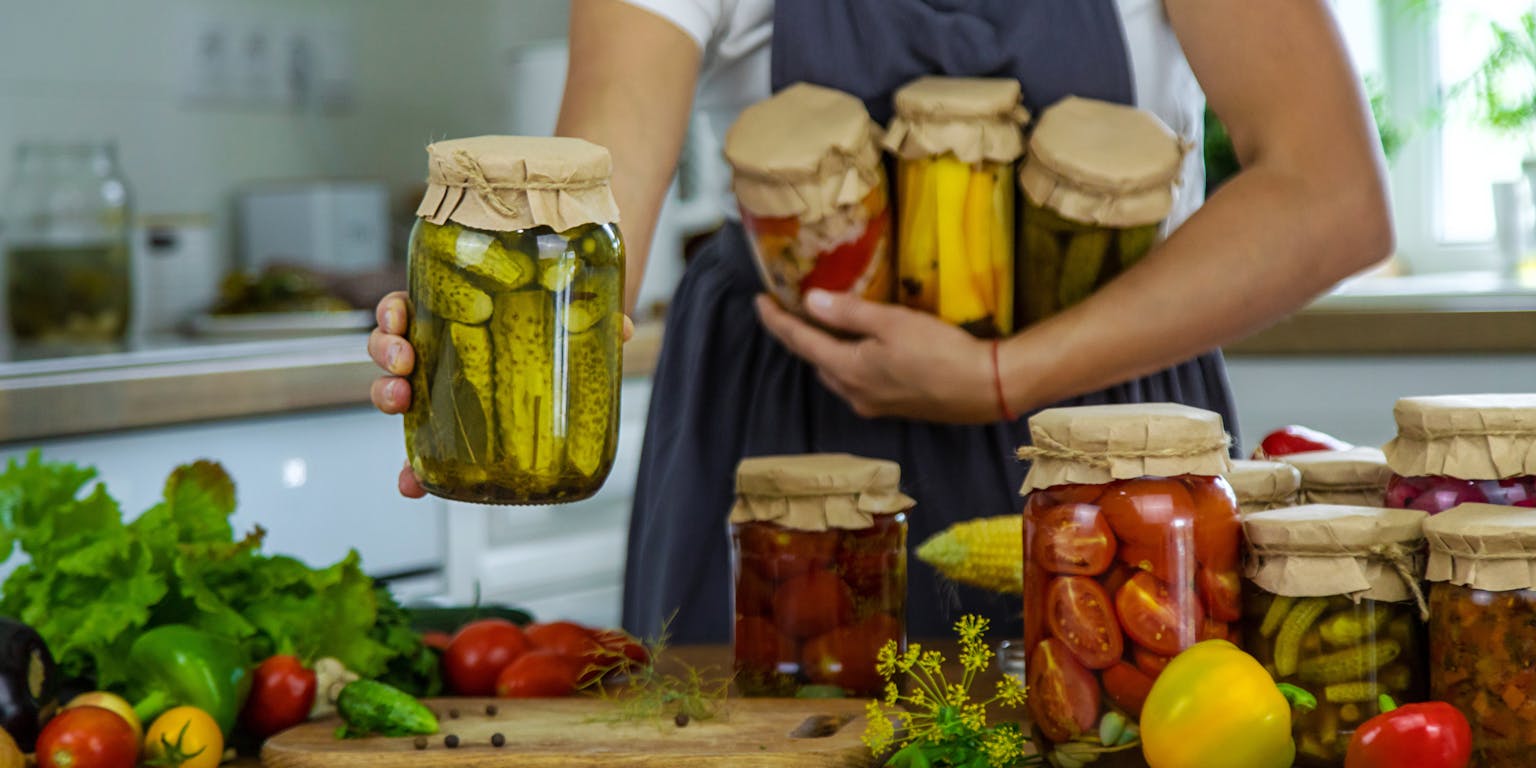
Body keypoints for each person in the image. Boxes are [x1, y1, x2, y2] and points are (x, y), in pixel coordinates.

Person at [369, 0, 1393, 644]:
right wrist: (496, 352)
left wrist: (1006, 376)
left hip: (1105, 439)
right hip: (782, 457)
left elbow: (1330, 192)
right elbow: (597, 192)